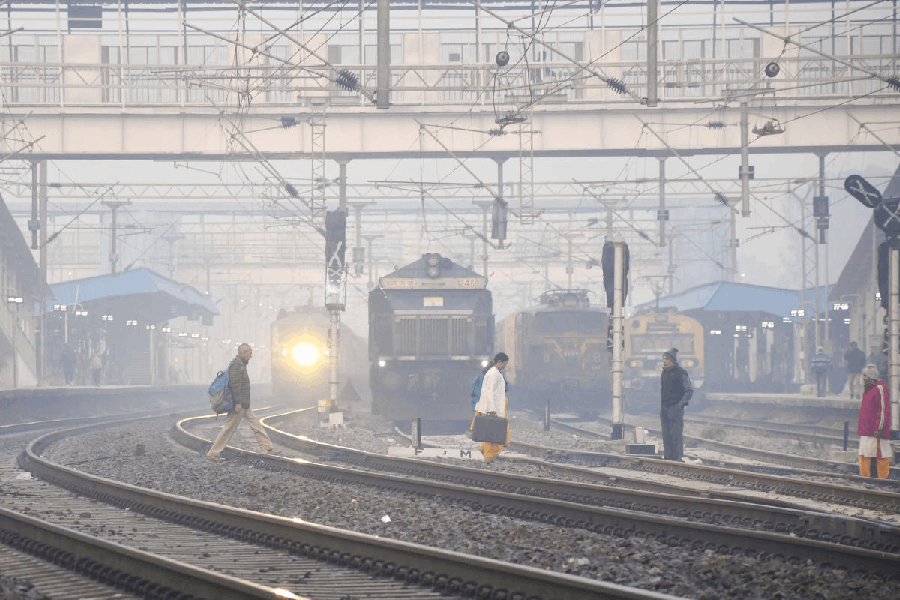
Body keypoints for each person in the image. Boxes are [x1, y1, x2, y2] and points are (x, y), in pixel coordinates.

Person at [207, 343, 279, 461]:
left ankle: (267, 448)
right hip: (238, 405)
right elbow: (235, 385)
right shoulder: (236, 365)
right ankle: (213, 453)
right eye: (250, 353)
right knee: (228, 429)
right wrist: (238, 403)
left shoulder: (241, 364)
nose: (251, 356)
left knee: (256, 424)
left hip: (244, 405)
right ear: (243, 353)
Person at [472, 352, 510, 462]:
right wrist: (492, 409)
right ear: (499, 362)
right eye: (504, 364)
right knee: (492, 435)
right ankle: (489, 457)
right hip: (493, 408)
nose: (505, 366)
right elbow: (489, 393)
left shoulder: (494, 373)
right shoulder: (494, 374)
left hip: (494, 407)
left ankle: (487, 452)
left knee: (492, 433)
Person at [858, 364, 894, 479]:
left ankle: (881, 479)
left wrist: (879, 428)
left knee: (881, 456)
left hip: (875, 431)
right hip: (866, 430)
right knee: (865, 455)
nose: (863, 379)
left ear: (871, 378)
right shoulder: (869, 390)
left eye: (865, 376)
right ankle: (866, 477)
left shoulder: (879, 388)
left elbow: (883, 410)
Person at [660, 347, 693, 462]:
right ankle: (668, 457)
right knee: (666, 434)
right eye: (664, 358)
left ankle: (677, 458)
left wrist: (680, 405)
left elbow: (689, 390)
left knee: (676, 434)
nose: (664, 361)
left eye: (667, 359)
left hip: (675, 407)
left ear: (672, 360)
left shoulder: (681, 373)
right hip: (664, 408)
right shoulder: (664, 373)